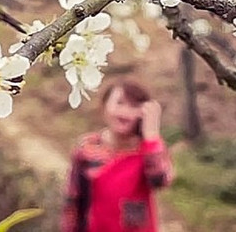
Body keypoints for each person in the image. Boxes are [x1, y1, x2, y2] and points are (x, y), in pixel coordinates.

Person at [61, 78, 173, 232]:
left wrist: (152, 136)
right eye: (120, 103)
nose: (125, 112)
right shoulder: (88, 147)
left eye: (134, 106)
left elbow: (160, 180)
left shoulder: (148, 149)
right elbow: (73, 199)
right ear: (104, 106)